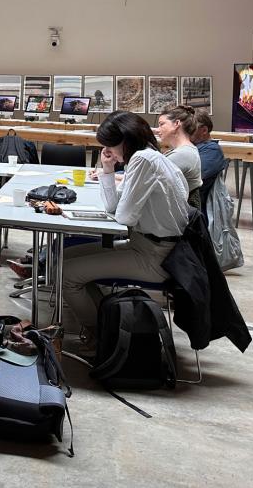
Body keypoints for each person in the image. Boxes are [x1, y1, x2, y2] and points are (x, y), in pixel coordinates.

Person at [61, 111, 190, 350]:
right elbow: (114, 207)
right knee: (62, 259)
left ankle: (103, 335)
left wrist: (114, 183)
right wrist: (107, 170)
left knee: (65, 274)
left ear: (125, 140)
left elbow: (123, 217)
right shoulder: (149, 157)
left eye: (111, 145)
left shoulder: (142, 160)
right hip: (152, 247)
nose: (109, 151)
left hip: (156, 256)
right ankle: (109, 324)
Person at [157, 104, 203, 208]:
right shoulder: (184, 151)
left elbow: (147, 180)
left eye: (161, 124)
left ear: (176, 124)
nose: (158, 130)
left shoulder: (183, 154)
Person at [191, 112, 227, 182]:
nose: (186, 132)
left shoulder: (213, 150)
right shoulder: (195, 146)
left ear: (204, 130)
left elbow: (194, 176)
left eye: (190, 128)